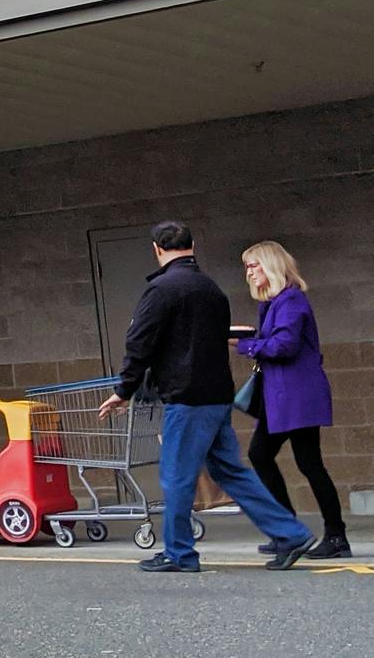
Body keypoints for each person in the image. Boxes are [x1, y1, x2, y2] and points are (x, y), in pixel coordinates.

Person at [98, 220, 314, 572]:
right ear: (193, 245)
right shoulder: (212, 289)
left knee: (176, 476)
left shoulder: (161, 290)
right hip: (217, 396)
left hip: (187, 398)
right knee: (232, 472)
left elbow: (139, 343)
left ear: (156, 249)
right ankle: (290, 533)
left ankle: (180, 553)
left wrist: (124, 390)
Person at [237, 240, 350, 559]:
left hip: (296, 395)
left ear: (271, 265)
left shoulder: (291, 301)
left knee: (308, 463)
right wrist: (251, 338)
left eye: (254, 264)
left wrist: (245, 346)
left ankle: (331, 535)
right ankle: (290, 531)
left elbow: (283, 346)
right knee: (265, 455)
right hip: (284, 396)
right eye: (246, 266)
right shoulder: (274, 303)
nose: (249, 272)